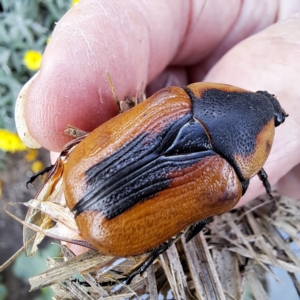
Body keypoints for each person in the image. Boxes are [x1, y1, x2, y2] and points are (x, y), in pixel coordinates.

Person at [16, 0, 300, 207]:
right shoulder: (232, 175)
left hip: (95, 187)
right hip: (105, 209)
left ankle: (67, 165)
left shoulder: (179, 102)